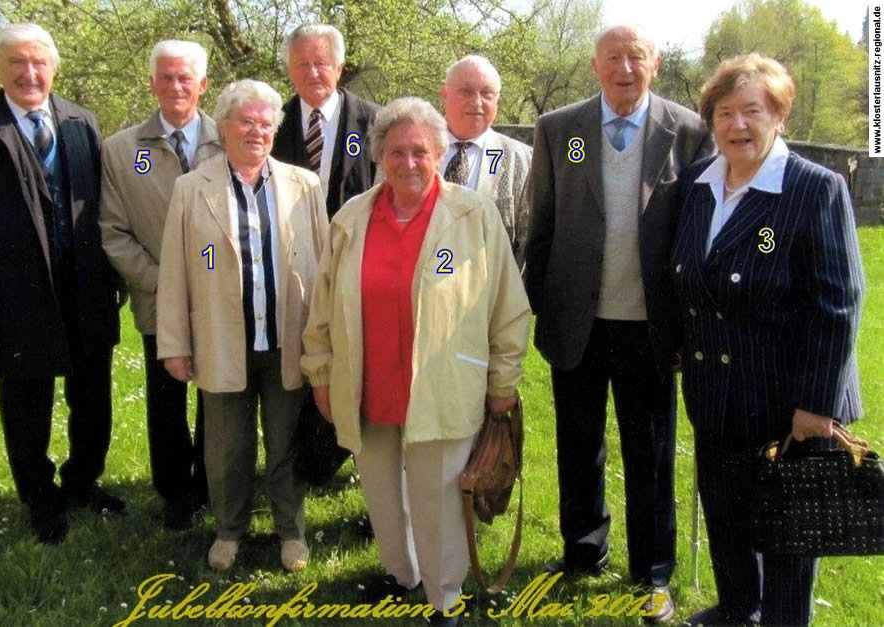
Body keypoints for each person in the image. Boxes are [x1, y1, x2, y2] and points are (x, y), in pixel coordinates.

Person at [301, 97, 530, 627]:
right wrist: (321, 370)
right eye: (397, 151)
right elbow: (323, 301)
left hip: (442, 383)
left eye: (420, 151)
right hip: (370, 379)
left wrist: (504, 380)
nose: (409, 162)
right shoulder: (352, 218)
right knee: (381, 490)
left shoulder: (473, 215)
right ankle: (401, 573)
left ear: (439, 153)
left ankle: (444, 595)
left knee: (438, 497)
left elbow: (507, 306)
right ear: (379, 155)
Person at [524, 24, 715, 621]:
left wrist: (691, 326)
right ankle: (583, 552)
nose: (625, 67)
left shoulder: (687, 131)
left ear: (655, 64)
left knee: (650, 452)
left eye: (636, 57)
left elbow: (700, 234)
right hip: (576, 322)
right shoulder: (562, 130)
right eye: (613, 58)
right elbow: (543, 226)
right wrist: (531, 311)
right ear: (594, 66)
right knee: (579, 446)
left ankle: (652, 569)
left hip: (651, 327)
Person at [672, 53, 864, 627]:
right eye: (724, 112)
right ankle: (736, 612)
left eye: (752, 111)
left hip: (789, 409)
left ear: (779, 116)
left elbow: (837, 305)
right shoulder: (696, 186)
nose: (737, 125)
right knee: (727, 524)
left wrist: (816, 407)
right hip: (716, 397)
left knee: (786, 543)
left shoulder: (815, 190)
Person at [0, 23, 125, 545]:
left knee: (92, 398)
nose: (29, 73)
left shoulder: (80, 124)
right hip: (17, 298)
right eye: (16, 63)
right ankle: (40, 499)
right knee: (27, 406)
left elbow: (105, 207)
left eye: (38, 62)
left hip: (85, 290)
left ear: (54, 67)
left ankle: (82, 481)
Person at [156, 79, 328, 572]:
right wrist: (175, 343)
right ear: (224, 127)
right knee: (226, 448)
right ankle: (229, 530)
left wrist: (325, 338)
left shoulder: (305, 184)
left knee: (285, 444)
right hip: (221, 339)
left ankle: (290, 531)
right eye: (246, 122)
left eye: (266, 123)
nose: (257, 131)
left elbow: (323, 265)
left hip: (288, 339)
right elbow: (177, 270)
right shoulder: (192, 188)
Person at [100, 40, 223, 530]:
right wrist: (165, 283)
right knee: (166, 399)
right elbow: (113, 232)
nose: (176, 86)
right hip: (157, 299)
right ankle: (175, 493)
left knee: (218, 397)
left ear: (203, 84)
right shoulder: (121, 149)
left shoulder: (230, 138)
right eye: (166, 77)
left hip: (220, 298)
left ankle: (213, 485)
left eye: (185, 77)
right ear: (151, 83)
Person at [272, 23, 379, 219]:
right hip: (292, 243)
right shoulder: (272, 126)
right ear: (289, 71)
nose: (312, 73)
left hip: (354, 242)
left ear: (338, 69)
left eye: (321, 63)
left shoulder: (375, 122)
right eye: (303, 64)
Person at [440, 54, 532, 268]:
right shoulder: (410, 152)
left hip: (488, 296)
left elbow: (528, 246)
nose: (477, 102)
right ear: (444, 94)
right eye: (466, 91)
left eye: (487, 94)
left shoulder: (523, 161)